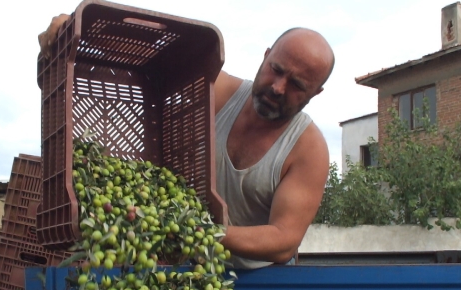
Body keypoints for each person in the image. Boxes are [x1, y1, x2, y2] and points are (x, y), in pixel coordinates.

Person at [39, 16, 333, 270]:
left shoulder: (307, 149)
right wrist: (78, 30)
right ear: (266, 56)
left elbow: (283, 240)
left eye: (297, 85)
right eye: (276, 69)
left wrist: (196, 231)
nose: (278, 87)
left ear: (316, 92)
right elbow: (158, 57)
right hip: (190, 267)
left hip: (259, 280)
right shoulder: (219, 94)